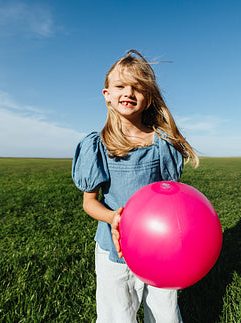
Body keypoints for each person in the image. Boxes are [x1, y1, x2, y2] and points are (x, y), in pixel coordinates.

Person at [72, 50, 198, 323]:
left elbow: (171, 198)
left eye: (138, 87)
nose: (128, 92)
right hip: (114, 249)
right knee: (117, 315)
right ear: (106, 94)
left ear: (149, 96)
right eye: (120, 86)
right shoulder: (98, 145)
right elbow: (89, 202)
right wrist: (113, 217)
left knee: (165, 314)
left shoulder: (161, 144)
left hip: (161, 249)